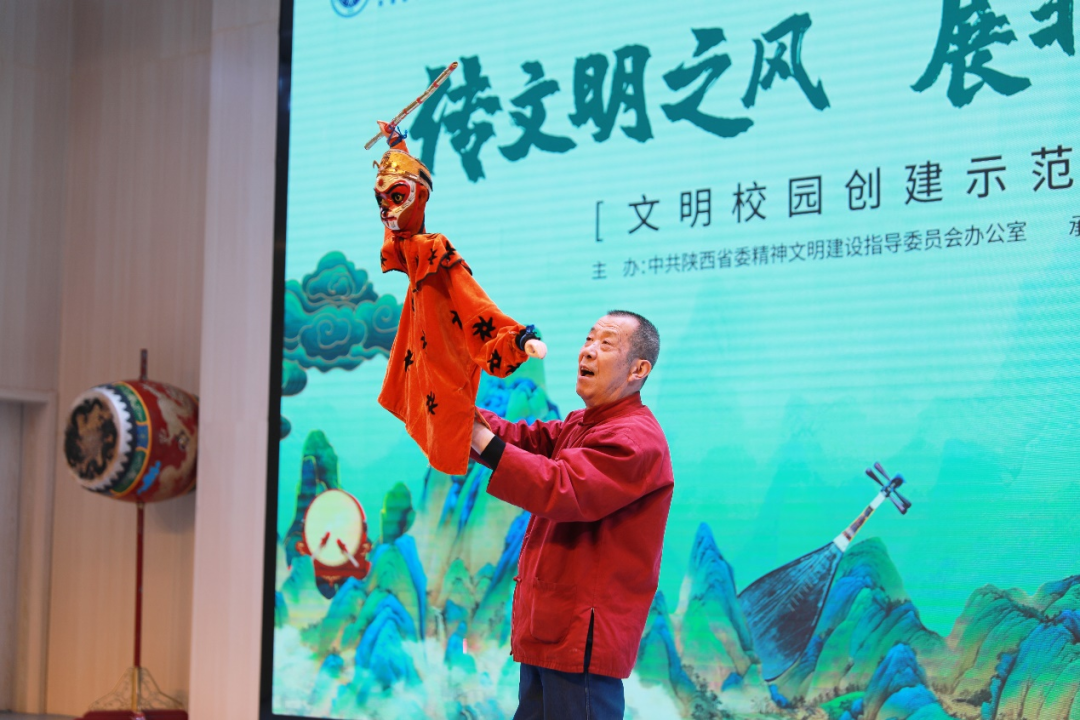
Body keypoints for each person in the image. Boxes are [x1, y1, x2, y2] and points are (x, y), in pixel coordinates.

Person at [470, 310, 674, 719]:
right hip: (551, 631)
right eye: (588, 339)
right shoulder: (582, 424)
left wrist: (478, 437)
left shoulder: (634, 438)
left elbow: (560, 487)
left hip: (581, 639)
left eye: (606, 343)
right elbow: (521, 440)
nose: (588, 351)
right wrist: (457, 414)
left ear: (639, 370)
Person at [372, 122, 546, 475]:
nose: (386, 209)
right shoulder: (410, 248)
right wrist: (398, 146)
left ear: (419, 197)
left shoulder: (435, 251)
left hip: (444, 358)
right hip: (421, 353)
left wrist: (516, 339)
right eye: (381, 200)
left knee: (460, 424)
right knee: (456, 425)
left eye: (396, 197)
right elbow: (404, 230)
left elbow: (474, 303)